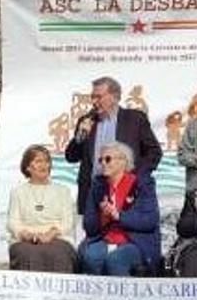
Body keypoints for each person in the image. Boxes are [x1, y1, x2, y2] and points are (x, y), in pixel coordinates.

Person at [65, 76, 162, 213]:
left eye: (99, 97)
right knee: (92, 233)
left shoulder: (134, 119)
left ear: (115, 97)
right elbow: (71, 157)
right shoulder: (86, 121)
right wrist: (80, 136)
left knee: (123, 231)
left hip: (126, 191)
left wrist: (135, 178)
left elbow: (154, 152)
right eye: (92, 97)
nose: (94, 102)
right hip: (92, 193)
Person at [80, 142, 161, 276]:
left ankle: (125, 297)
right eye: (101, 160)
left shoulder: (142, 184)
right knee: (91, 257)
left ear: (123, 161)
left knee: (116, 260)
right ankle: (96, 297)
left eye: (108, 159)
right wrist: (103, 216)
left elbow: (150, 220)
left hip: (135, 240)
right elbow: (88, 226)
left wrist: (118, 215)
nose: (103, 164)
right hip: (105, 238)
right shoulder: (97, 186)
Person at [7, 145, 76, 272]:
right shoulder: (18, 192)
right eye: (38, 161)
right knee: (27, 254)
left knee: (59, 254)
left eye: (46, 161)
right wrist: (24, 234)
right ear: (28, 167)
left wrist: (51, 234)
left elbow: (68, 222)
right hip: (26, 238)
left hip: (57, 237)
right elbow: (13, 222)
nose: (44, 165)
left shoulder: (63, 191)